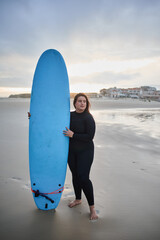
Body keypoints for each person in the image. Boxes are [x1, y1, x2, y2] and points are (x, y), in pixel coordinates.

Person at [63, 93, 98, 220]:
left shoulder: (88, 118)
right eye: (79, 101)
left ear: (86, 103)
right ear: (75, 103)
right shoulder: (69, 115)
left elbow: (90, 137)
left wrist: (74, 135)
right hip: (72, 151)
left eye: (84, 101)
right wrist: (33, 117)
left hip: (85, 151)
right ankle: (78, 199)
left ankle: (92, 208)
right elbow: (53, 119)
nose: (82, 103)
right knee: (75, 176)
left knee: (83, 178)